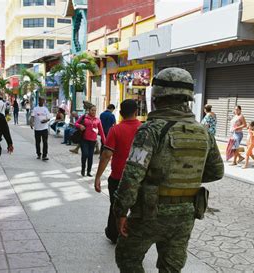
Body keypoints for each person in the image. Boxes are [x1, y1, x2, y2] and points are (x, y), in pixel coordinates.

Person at [113, 68, 224, 272]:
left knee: (127, 257)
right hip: (186, 214)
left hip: (149, 212)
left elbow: (132, 175)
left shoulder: (151, 130)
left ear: (157, 95)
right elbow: (216, 171)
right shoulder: (203, 132)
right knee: (171, 267)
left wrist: (120, 211)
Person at [94, 100, 141, 244]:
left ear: (120, 113)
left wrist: (98, 177)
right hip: (140, 178)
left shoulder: (116, 130)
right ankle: (134, 235)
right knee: (137, 208)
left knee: (116, 207)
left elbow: (107, 155)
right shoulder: (144, 129)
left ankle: (114, 234)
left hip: (118, 177)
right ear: (136, 112)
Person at [75, 105, 106, 176]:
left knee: (90, 156)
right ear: (89, 110)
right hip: (84, 140)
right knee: (85, 154)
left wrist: (105, 143)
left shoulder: (98, 120)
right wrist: (80, 126)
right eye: (92, 110)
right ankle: (83, 169)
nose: (93, 112)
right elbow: (76, 123)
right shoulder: (84, 117)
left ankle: (88, 171)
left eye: (95, 110)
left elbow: (101, 132)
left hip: (93, 141)